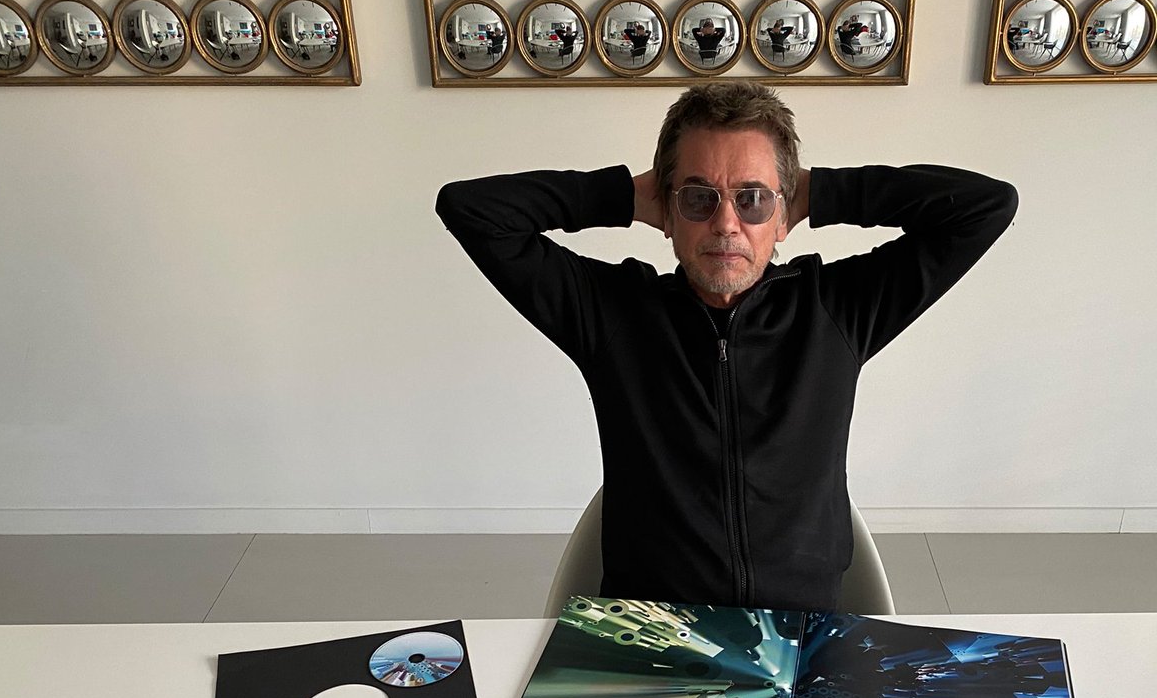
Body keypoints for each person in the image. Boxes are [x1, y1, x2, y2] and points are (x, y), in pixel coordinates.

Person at [435, 82, 1017, 611]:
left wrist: (821, 192)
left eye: (753, 199)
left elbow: (985, 207)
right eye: (698, 198)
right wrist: (626, 196)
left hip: (803, 631)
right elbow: (471, 210)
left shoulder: (835, 311)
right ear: (666, 211)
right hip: (653, 636)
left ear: (783, 215)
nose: (726, 224)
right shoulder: (612, 315)